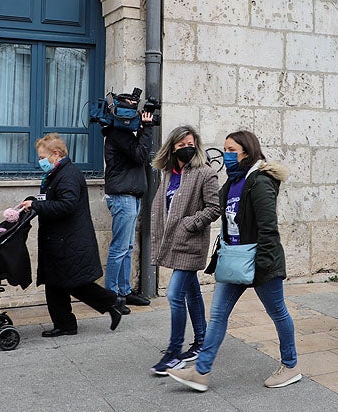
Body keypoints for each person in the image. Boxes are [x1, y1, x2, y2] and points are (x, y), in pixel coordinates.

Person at [168, 130, 299, 392]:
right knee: (217, 316)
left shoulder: (259, 182)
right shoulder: (233, 181)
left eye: (231, 151)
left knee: (277, 311)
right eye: (224, 149)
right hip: (234, 258)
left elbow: (268, 228)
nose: (226, 155)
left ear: (247, 153)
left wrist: (263, 266)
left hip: (260, 260)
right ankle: (201, 373)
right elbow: (219, 212)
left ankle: (291, 365)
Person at [21, 133, 123, 336]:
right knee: (57, 284)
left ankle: (111, 302)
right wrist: (35, 202)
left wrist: (38, 205)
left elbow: (67, 205)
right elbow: (52, 198)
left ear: (56, 154)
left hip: (67, 240)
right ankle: (67, 323)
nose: (40, 161)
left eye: (42, 156)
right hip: (60, 239)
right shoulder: (57, 173)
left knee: (72, 284)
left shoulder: (67, 175)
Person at [148, 125, 221, 376]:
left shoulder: (205, 173)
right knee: (191, 293)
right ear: (173, 148)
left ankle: (174, 352)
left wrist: (190, 223)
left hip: (191, 243)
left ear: (196, 145)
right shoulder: (169, 173)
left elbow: (214, 208)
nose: (186, 148)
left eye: (190, 143)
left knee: (174, 295)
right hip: (174, 242)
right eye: (180, 145)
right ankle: (201, 342)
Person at [103, 109, 155, 312]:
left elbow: (137, 156)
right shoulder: (118, 135)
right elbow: (141, 155)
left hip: (131, 195)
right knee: (119, 248)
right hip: (122, 196)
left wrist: (142, 131)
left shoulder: (126, 136)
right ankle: (111, 296)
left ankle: (124, 291)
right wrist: (147, 130)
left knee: (128, 247)